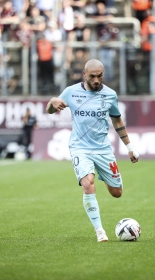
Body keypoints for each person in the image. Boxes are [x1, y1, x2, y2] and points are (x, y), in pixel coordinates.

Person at [46, 59, 139, 242]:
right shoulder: (71, 92)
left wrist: (130, 147)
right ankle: (100, 231)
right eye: (93, 76)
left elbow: (117, 120)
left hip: (103, 149)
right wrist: (52, 102)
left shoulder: (110, 95)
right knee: (88, 183)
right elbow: (50, 110)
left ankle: (102, 175)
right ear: (84, 74)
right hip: (80, 147)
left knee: (116, 192)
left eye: (100, 76)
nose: (97, 80)